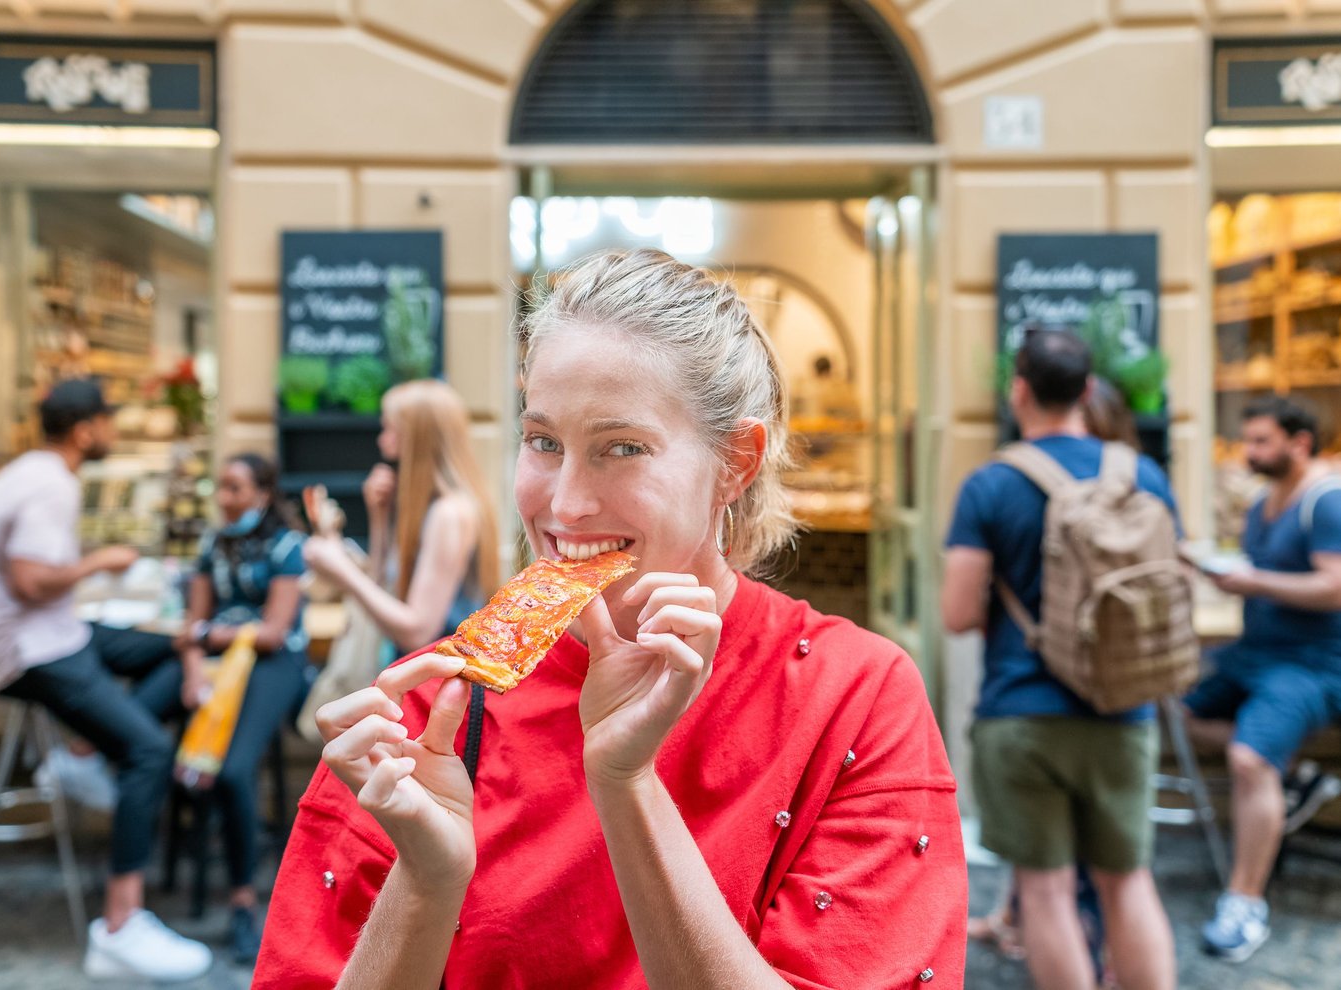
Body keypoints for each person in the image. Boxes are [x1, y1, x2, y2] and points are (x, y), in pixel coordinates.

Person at [254, 248, 967, 988]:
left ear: (736, 462)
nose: (564, 505)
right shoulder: (430, 708)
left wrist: (627, 786)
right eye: (543, 442)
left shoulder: (853, 698)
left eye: (620, 449)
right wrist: (427, 884)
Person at [941, 329, 1177, 990]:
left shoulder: (991, 484)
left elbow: (958, 614)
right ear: (1085, 390)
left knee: (1044, 893)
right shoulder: (1143, 474)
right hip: (1123, 708)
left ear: (1019, 389)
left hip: (1021, 713)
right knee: (1127, 883)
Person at [0, 379, 212, 982]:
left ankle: (82, 756)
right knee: (148, 750)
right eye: (108, 420)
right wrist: (100, 562)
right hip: (23, 649)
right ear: (85, 429)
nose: (111, 429)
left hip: (54, 631)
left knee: (172, 645)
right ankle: (119, 926)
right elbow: (32, 580)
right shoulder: (52, 482)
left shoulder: (32, 469)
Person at [131, 453, 310, 964]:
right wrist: (192, 670)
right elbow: (192, 625)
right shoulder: (213, 543)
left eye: (234, 488)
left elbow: (273, 633)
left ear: (262, 493)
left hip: (270, 662)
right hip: (212, 658)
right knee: (136, 719)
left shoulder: (287, 546)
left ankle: (242, 903)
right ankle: (148, 850)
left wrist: (208, 635)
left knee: (233, 773)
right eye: (222, 488)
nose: (224, 498)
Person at [1183, 395, 1341, 962]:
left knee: (1249, 759)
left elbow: (1335, 586)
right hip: (1254, 652)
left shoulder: (1326, 501)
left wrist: (1255, 583)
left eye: (1262, 441)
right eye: (1247, 440)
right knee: (1181, 716)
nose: (1250, 452)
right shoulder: (1261, 503)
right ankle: (1293, 774)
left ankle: (1245, 904)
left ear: (1300, 443)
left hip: (1313, 664)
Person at [302, 380, 498, 661]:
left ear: (416, 436)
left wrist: (342, 570)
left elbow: (418, 631)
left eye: (389, 429)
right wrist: (379, 516)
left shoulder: (449, 513)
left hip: (437, 683)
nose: (382, 440)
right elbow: (382, 584)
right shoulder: (430, 506)